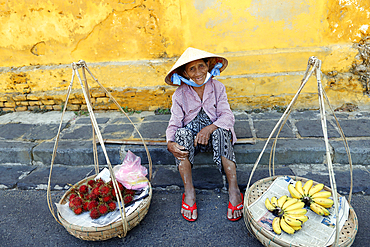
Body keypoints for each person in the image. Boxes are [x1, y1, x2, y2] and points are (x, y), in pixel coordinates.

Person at [165, 47, 243, 222]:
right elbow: (174, 123)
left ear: (208, 66)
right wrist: (170, 143)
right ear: (185, 73)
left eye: (201, 66)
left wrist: (209, 129)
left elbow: (227, 116)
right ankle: (189, 191)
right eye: (191, 69)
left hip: (214, 136)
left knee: (223, 132)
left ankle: (233, 189)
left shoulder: (217, 87)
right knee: (181, 135)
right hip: (192, 141)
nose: (198, 72)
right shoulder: (180, 94)